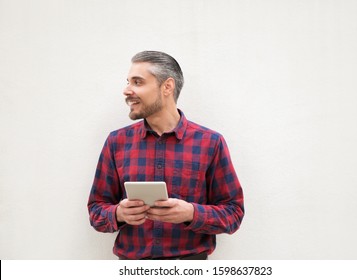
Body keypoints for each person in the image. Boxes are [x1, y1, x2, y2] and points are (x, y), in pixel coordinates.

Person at [87, 51, 244, 260]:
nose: (127, 90)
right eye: (128, 82)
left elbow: (233, 213)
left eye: (137, 82)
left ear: (167, 87)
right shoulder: (117, 142)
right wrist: (118, 214)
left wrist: (191, 213)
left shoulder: (210, 143)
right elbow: (96, 210)